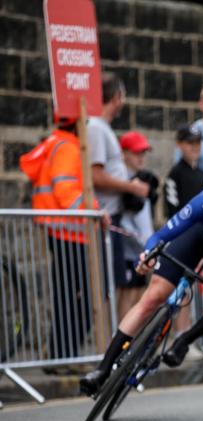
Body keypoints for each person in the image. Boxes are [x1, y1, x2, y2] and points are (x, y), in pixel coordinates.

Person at [80, 176, 203, 395]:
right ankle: (102, 370)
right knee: (153, 297)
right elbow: (160, 236)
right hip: (199, 235)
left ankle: (184, 341)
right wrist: (148, 256)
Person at [20, 115, 106, 359]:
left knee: (69, 295)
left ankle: (63, 352)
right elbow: (66, 190)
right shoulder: (67, 147)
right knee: (83, 297)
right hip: (71, 231)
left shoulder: (58, 142)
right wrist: (94, 212)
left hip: (65, 231)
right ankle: (63, 353)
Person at [88, 73, 150, 294]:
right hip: (105, 217)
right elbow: (95, 176)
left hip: (113, 217)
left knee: (115, 285)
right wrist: (131, 187)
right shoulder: (95, 127)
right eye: (122, 96)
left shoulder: (102, 127)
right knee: (106, 288)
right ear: (116, 97)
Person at [118, 131, 157, 320]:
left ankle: (132, 340)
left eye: (143, 153)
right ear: (124, 153)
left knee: (139, 291)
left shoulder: (143, 178)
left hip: (142, 245)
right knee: (127, 292)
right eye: (136, 153)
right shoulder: (121, 179)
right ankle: (121, 340)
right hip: (129, 244)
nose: (141, 157)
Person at [164, 125, 203, 219]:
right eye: (190, 142)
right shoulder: (175, 174)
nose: (195, 147)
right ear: (179, 144)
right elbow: (172, 209)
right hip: (184, 228)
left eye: (198, 142)